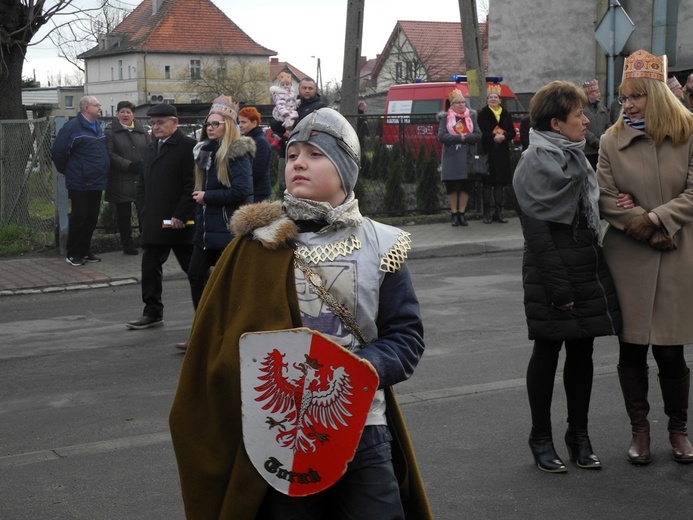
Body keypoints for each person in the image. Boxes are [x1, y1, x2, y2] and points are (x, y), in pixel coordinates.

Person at [169, 108, 432, 519]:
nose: (299, 163)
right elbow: (218, 346)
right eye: (292, 155)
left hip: (364, 427)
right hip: (282, 435)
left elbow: (405, 337)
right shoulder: (256, 245)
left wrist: (356, 368)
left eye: (315, 154)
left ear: (345, 169)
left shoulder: (383, 244)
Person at [513, 80, 622, 473]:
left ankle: (579, 435)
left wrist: (616, 202)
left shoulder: (576, 157)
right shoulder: (532, 162)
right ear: (557, 123)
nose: (586, 120)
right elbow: (538, 234)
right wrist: (559, 287)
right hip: (551, 272)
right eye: (578, 114)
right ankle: (540, 437)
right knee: (547, 352)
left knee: (583, 353)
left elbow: (589, 206)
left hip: (587, 265)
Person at [597, 49, 693, 465]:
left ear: (655, 94)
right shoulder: (610, 140)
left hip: (677, 254)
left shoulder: (688, 131)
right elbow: (604, 196)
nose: (628, 105)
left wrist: (654, 215)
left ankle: (678, 429)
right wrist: (637, 219)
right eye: (623, 98)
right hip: (628, 260)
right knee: (631, 349)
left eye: (635, 96)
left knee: (671, 350)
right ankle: (639, 430)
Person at [126, 103, 196, 330]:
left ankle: (207, 314)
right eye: (152, 123)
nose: (155, 127)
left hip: (180, 224)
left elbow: (191, 185)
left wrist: (181, 214)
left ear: (174, 122)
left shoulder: (188, 146)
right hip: (155, 221)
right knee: (150, 267)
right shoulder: (152, 146)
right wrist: (143, 210)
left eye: (160, 122)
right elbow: (142, 183)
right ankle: (152, 312)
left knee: (195, 271)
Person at [188, 96, 254, 312]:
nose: (210, 127)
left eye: (216, 123)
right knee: (195, 275)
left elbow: (241, 191)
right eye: (208, 123)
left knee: (229, 284)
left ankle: (227, 329)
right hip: (206, 232)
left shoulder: (236, 152)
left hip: (228, 230)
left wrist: (207, 196)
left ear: (228, 126)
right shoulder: (204, 151)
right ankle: (202, 329)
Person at [51, 95, 109, 266]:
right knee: (79, 217)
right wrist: (71, 171)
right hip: (80, 181)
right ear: (86, 108)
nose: (100, 108)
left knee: (91, 218)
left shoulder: (98, 127)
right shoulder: (72, 128)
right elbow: (58, 153)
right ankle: (73, 253)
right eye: (97, 105)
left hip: (97, 180)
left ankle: (85, 250)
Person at [104, 100, 150, 255]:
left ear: (133, 115)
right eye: (122, 111)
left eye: (128, 112)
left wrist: (144, 165)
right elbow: (110, 154)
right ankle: (127, 244)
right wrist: (129, 165)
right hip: (120, 179)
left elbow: (150, 150)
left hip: (140, 178)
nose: (125, 115)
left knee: (144, 212)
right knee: (123, 215)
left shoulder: (141, 130)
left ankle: (146, 240)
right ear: (117, 114)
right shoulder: (110, 131)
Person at [270, 77, 327, 192]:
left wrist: (294, 123)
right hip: (286, 151)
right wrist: (282, 122)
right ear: (298, 89)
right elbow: (274, 124)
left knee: (306, 187)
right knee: (284, 186)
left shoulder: (321, 108)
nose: (307, 90)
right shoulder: (289, 102)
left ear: (315, 90)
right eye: (304, 88)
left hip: (309, 153)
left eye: (310, 88)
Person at [437, 88, 481, 227]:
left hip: (468, 156)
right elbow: (442, 136)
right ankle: (454, 214)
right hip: (452, 157)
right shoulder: (446, 117)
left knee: (465, 186)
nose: (462, 105)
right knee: (452, 186)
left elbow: (478, 135)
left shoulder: (471, 116)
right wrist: (459, 138)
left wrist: (465, 137)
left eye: (463, 102)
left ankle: (462, 213)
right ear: (452, 105)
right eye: (458, 103)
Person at [477, 85, 516, 224]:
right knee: (488, 183)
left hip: (502, 152)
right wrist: (493, 137)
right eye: (491, 97)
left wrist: (504, 137)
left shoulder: (506, 114)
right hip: (488, 151)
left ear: (500, 100)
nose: (493, 99)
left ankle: (498, 213)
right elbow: (481, 132)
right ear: (487, 100)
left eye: (496, 97)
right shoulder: (482, 114)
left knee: (499, 183)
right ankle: (486, 213)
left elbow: (512, 131)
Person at [238, 106, 272, 202]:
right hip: (250, 190)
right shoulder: (247, 139)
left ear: (254, 123)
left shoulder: (260, 142)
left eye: (244, 122)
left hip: (258, 193)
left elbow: (257, 171)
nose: (240, 125)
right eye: (239, 122)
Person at [581, 79, 610, 171]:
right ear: (589, 95)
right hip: (588, 152)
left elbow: (608, 125)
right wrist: (596, 142)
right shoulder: (582, 109)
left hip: (601, 151)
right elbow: (584, 129)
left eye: (599, 92)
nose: (599, 95)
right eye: (596, 93)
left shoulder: (603, 108)